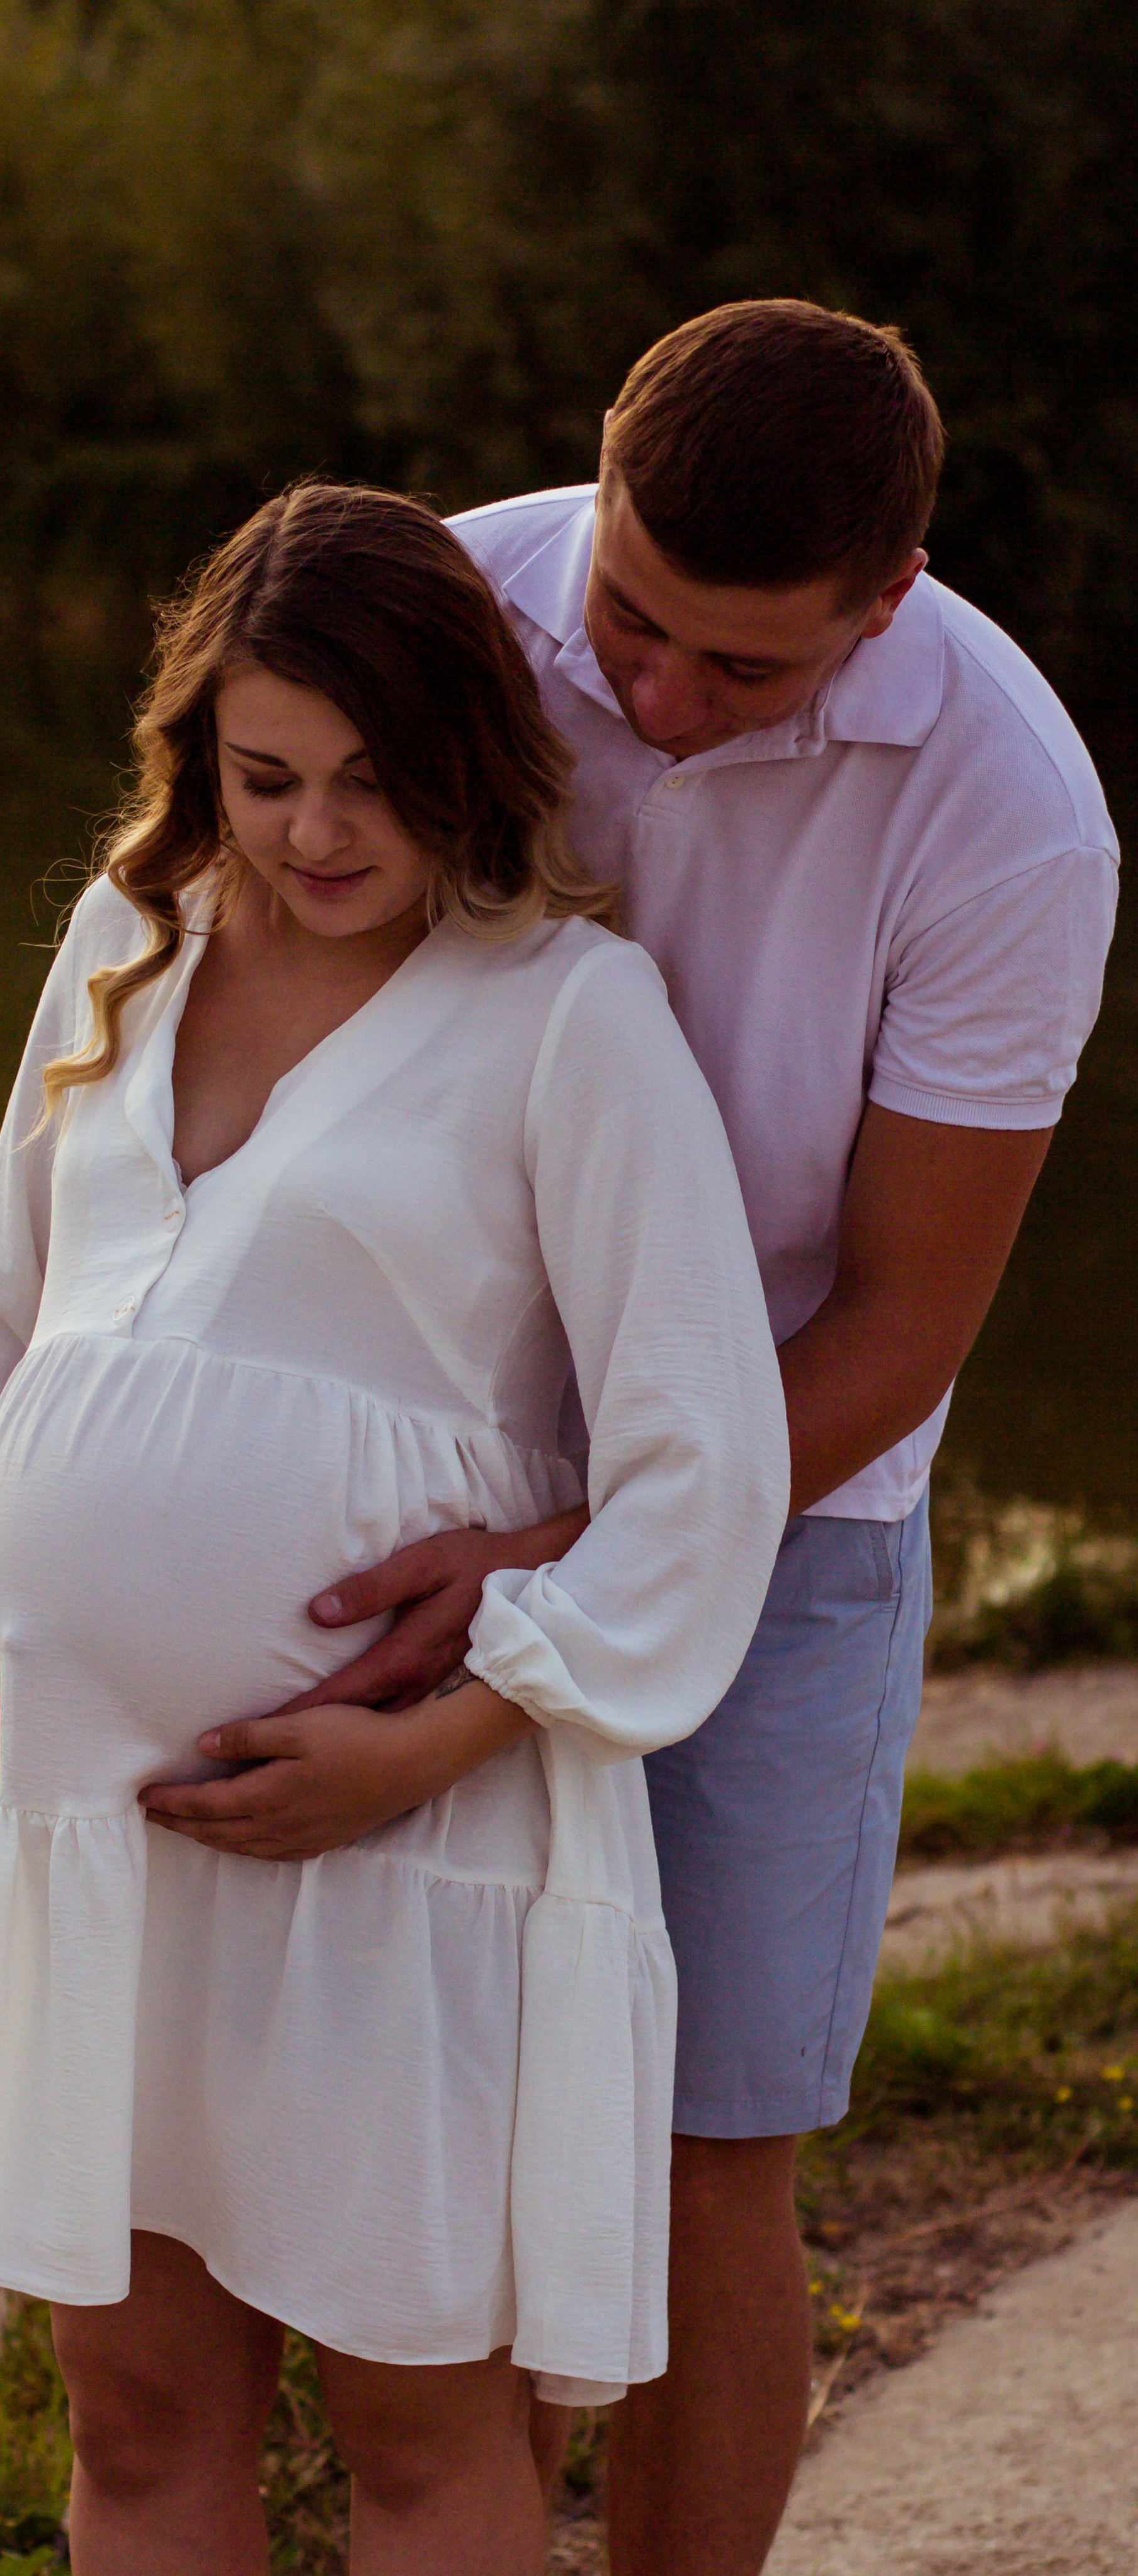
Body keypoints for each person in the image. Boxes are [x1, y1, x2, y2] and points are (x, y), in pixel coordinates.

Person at [128, 304, 1118, 2573]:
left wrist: (577, 1555)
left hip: (781, 1523)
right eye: (636, 626)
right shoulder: (443, 609)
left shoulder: (1009, 810)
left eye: (741, 674)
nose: (657, 706)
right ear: (597, 476)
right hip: (387, 1488)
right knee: (437, 2130)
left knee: (695, 2157)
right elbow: (188, 1013)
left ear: (888, 599)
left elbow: (904, 1317)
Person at [0, 481, 790, 2575]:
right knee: (132, 2408)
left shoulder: (568, 1011)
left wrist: (451, 1730)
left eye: (374, 781)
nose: (312, 832)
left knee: (413, 2419)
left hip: (412, 1840)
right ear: (198, 749)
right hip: (106, 1828)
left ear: (470, 754)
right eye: (264, 773)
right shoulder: (129, 939)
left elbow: (705, 1458)